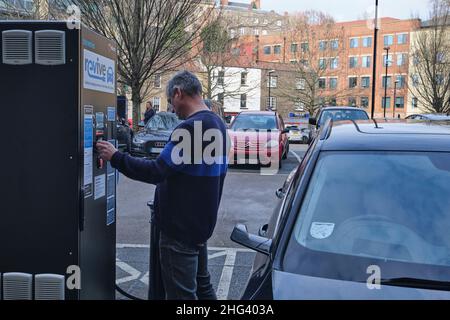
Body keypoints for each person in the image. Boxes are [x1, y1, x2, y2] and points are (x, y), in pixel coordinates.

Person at [96, 71, 229, 300]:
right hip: (201, 226)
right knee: (203, 287)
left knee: (181, 296)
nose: (172, 109)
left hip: (179, 230)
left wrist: (116, 157)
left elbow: (157, 171)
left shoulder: (189, 129)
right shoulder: (218, 124)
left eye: (170, 102)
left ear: (178, 93)